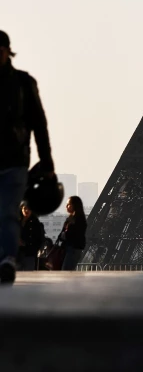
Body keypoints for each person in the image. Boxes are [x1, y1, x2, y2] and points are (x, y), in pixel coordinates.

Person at [0, 31, 56, 284]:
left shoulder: (23, 83)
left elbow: (39, 125)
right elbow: (39, 126)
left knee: (8, 212)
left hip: (14, 162)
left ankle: (7, 259)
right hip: (16, 159)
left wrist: (47, 163)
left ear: (7, 51)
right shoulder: (24, 83)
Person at [61, 196, 86, 270]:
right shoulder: (71, 219)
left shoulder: (78, 220)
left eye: (68, 204)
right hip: (70, 248)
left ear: (75, 205)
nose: (66, 206)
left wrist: (65, 234)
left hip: (73, 249)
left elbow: (75, 235)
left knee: (66, 271)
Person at [18, 202, 44, 270]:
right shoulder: (17, 221)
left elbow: (39, 239)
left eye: (29, 209)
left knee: (28, 274)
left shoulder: (35, 223)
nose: (26, 211)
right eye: (24, 208)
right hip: (17, 253)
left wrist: (25, 243)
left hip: (29, 253)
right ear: (21, 209)